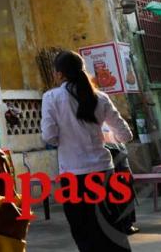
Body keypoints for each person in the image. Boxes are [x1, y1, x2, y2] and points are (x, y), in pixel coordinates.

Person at [41, 50, 134, 252]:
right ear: (84, 70)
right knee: (112, 229)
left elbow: (49, 137)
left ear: (59, 74)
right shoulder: (101, 98)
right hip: (104, 172)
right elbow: (125, 135)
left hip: (73, 177)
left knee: (84, 234)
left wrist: (65, 136)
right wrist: (105, 136)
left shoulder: (51, 98)